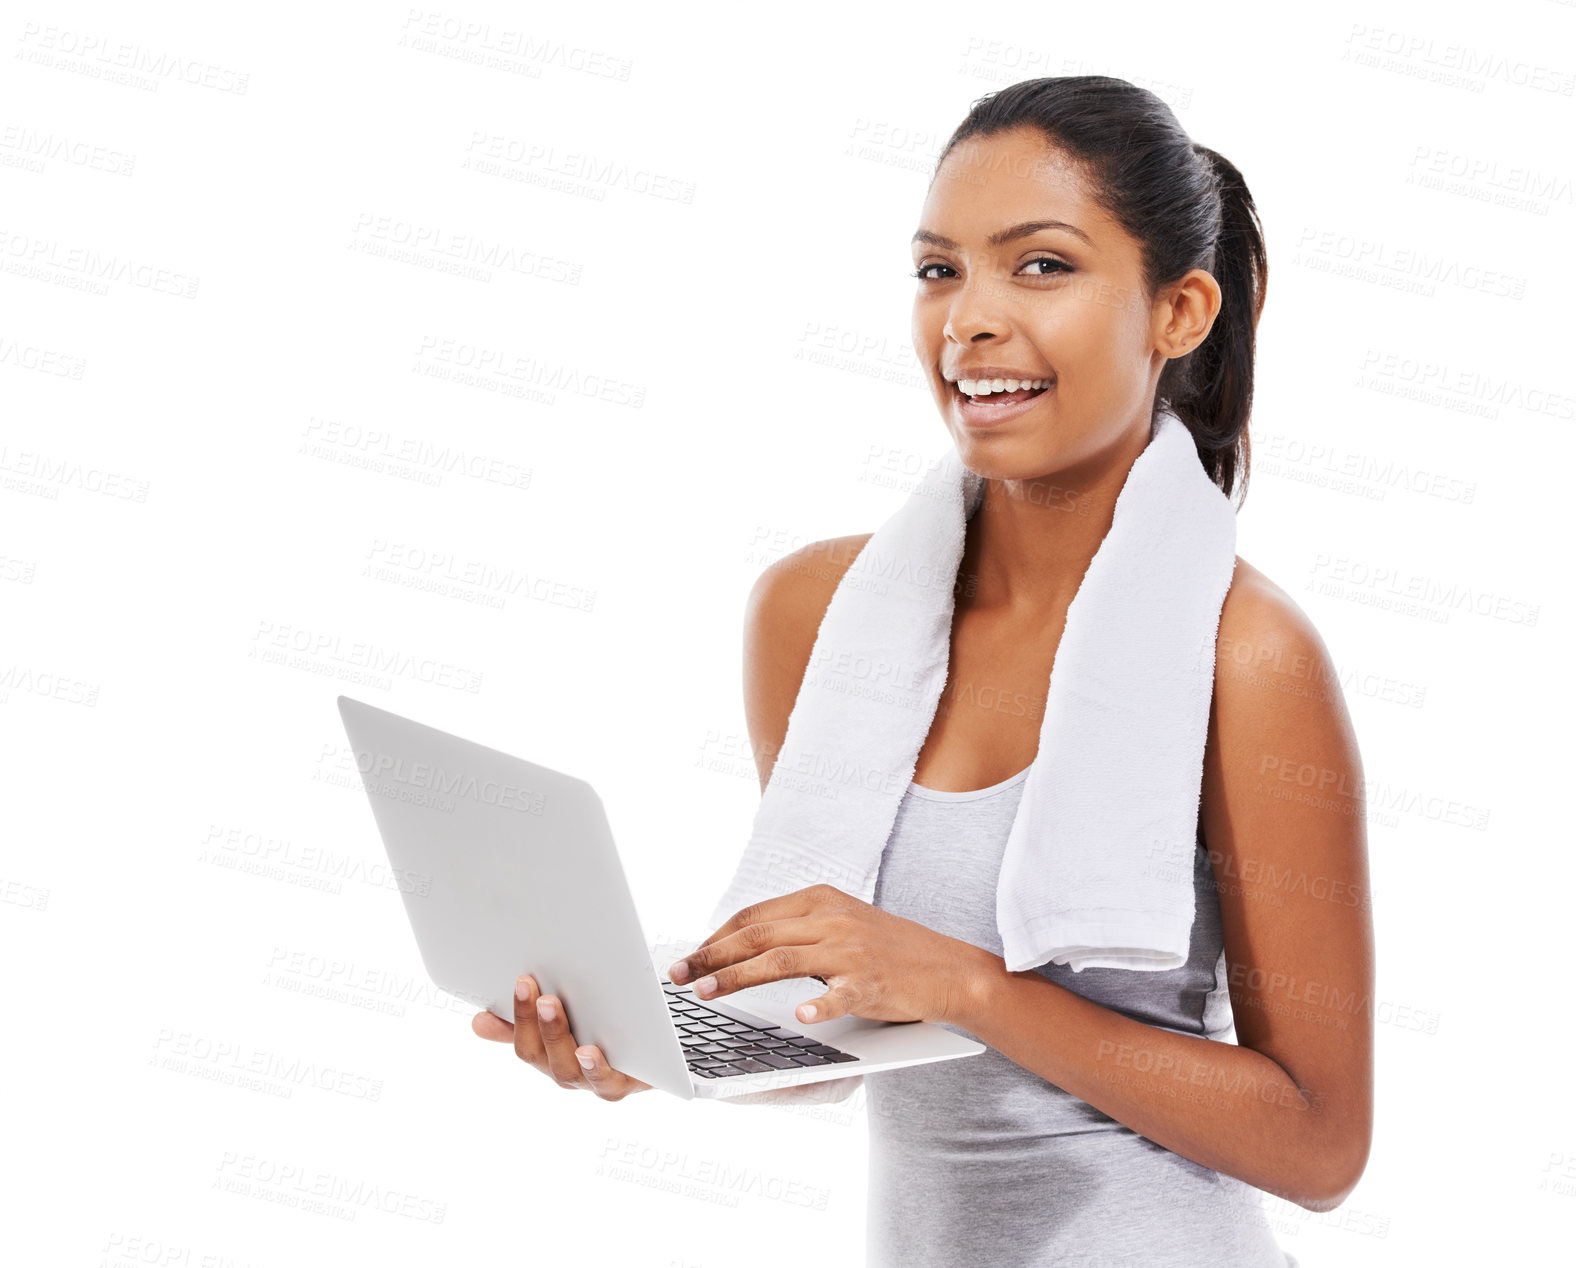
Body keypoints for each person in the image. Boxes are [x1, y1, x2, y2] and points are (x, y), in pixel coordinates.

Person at [473, 75, 1372, 1267]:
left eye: (1040, 266)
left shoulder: (1246, 656)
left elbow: (1319, 1144)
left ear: (1179, 311)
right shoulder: (818, 616)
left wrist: (972, 986)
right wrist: (653, 1038)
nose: (969, 320)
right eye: (938, 269)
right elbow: (843, 1008)